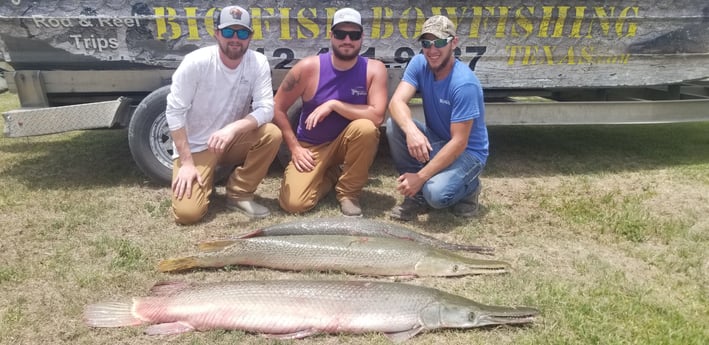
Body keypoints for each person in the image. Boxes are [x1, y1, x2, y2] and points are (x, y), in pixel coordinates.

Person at [165, 5, 282, 225]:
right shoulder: (196, 62)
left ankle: (239, 194)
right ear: (216, 33)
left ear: (250, 36)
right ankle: (201, 177)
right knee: (188, 215)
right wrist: (187, 162)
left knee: (271, 133)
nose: (235, 38)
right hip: (197, 146)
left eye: (242, 33)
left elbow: (266, 108)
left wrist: (232, 129)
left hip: (232, 140)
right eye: (228, 32)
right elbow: (174, 112)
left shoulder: (258, 62)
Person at [272, 8, 388, 217]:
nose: (347, 40)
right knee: (294, 204)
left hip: (347, 144)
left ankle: (348, 194)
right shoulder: (307, 67)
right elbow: (277, 107)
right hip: (311, 147)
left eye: (353, 35)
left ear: (362, 37)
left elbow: (378, 116)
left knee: (366, 128)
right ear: (331, 35)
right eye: (340, 34)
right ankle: (332, 174)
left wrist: (334, 104)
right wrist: (295, 148)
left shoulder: (374, 69)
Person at [386, 15, 489, 221]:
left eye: (440, 42)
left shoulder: (464, 84)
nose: (432, 50)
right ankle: (415, 196)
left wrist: (421, 178)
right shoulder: (418, 63)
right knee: (393, 125)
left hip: (468, 152)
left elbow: (460, 142)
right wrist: (412, 131)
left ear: (454, 43)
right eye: (426, 43)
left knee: (436, 194)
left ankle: (470, 187)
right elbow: (395, 103)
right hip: (439, 140)